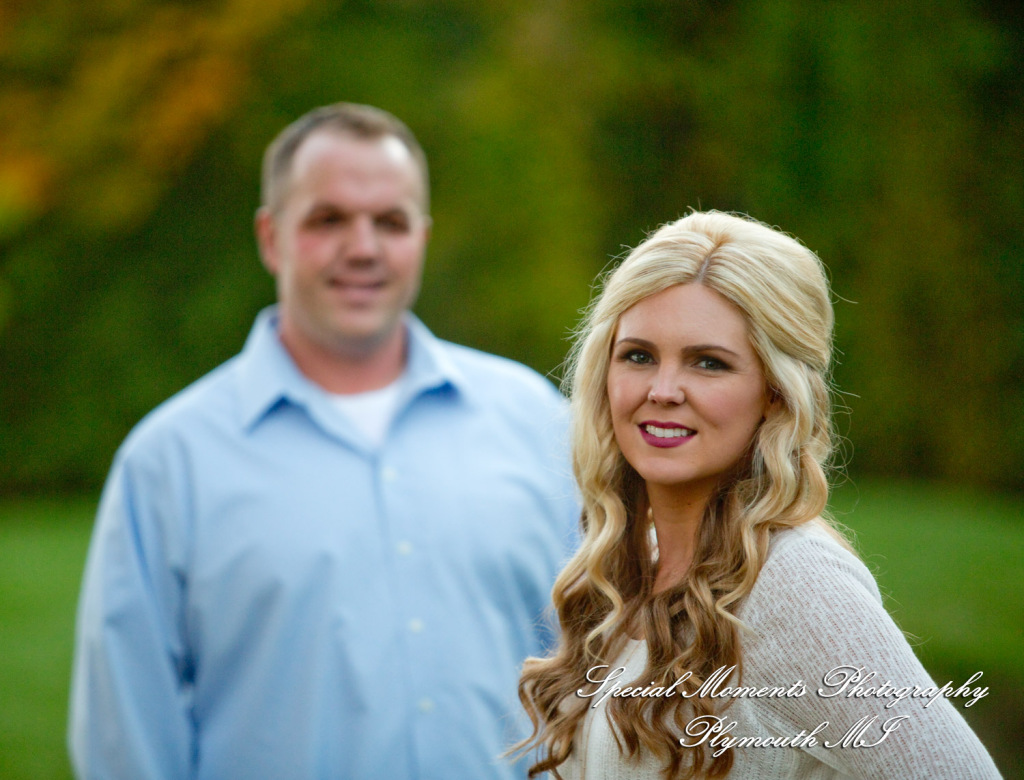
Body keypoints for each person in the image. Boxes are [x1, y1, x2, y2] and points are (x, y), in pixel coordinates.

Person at [69, 102, 578, 780]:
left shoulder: (536, 420)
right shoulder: (170, 462)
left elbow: (601, 657)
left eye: (390, 222)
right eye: (329, 219)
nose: (363, 247)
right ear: (271, 237)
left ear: (421, 238)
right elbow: (125, 734)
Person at [515, 211, 1000, 779]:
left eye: (709, 363)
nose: (663, 390)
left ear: (775, 393)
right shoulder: (628, 566)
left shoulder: (794, 583)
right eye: (639, 355)